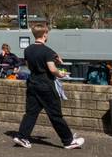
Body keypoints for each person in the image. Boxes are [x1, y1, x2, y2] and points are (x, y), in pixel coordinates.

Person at [13, 21, 84, 150]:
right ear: (45, 34)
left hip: (32, 83)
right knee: (55, 114)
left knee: (31, 113)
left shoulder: (28, 50)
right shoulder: (48, 51)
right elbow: (52, 69)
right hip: (46, 85)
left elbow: (29, 66)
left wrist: (52, 58)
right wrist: (60, 74)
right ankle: (68, 141)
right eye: (47, 33)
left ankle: (22, 136)